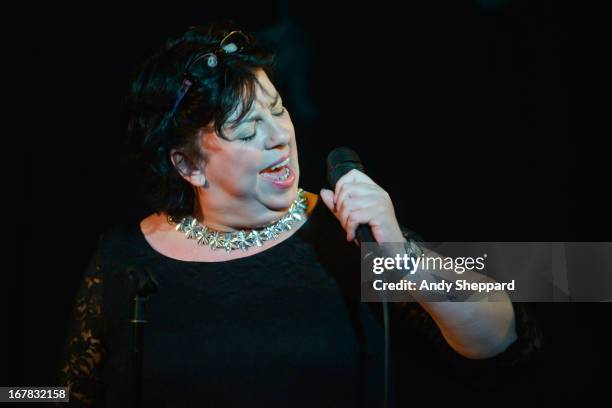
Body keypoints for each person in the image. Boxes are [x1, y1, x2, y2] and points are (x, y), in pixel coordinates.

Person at [56, 23, 544, 407]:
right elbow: (64, 394)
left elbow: (500, 337)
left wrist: (402, 257)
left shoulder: (345, 235)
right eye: (246, 131)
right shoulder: (123, 260)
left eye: (278, 109)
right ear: (188, 165)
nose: (278, 136)